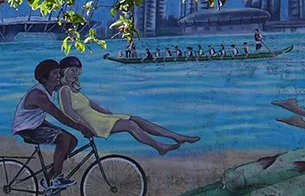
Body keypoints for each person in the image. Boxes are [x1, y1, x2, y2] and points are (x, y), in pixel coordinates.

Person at [54, 56, 199, 155]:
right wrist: (85, 126)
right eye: (72, 70)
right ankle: (159, 146)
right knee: (131, 125)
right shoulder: (64, 90)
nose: (76, 73)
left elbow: (89, 103)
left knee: (137, 119)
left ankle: (177, 136)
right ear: (64, 71)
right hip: (94, 124)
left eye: (77, 70)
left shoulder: (73, 89)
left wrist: (104, 110)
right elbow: (68, 112)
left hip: (99, 118)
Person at [12, 59, 92, 196]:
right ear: (44, 78)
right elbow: (60, 116)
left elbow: (69, 83)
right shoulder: (39, 95)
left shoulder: (50, 87)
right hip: (27, 128)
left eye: (59, 73)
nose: (58, 76)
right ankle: (57, 179)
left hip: (37, 123)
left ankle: (47, 180)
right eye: (55, 73)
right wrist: (81, 127)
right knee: (64, 139)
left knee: (72, 140)